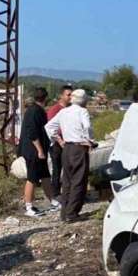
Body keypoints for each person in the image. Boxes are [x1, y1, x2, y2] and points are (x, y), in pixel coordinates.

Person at [45, 89, 94, 222]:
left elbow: (49, 127)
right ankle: (72, 213)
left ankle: (64, 212)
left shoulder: (63, 111)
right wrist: (89, 140)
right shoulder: (82, 111)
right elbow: (87, 127)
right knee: (79, 180)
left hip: (66, 148)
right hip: (79, 148)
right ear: (83, 100)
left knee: (67, 181)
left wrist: (59, 140)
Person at [18, 87, 61, 217]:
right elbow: (32, 133)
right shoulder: (34, 111)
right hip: (33, 151)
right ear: (45, 98)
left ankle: (53, 201)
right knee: (32, 178)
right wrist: (40, 150)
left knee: (45, 176)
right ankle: (29, 207)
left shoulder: (37, 110)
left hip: (38, 150)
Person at [46, 84, 73, 199]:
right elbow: (51, 128)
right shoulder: (55, 110)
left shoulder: (71, 109)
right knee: (57, 169)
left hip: (69, 142)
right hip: (57, 144)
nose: (70, 97)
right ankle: (55, 193)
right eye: (68, 95)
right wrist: (59, 140)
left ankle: (68, 191)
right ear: (62, 96)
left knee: (69, 168)